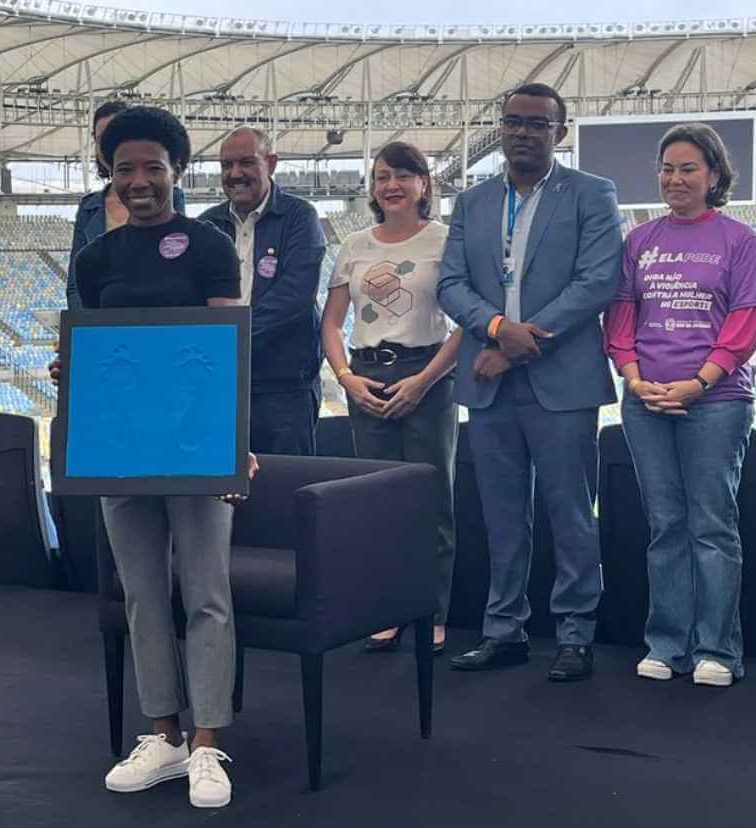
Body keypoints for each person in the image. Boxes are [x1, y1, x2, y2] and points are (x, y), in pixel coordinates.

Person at [53, 105, 255, 809]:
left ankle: (206, 742)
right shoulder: (94, 259)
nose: (140, 180)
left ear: (177, 171)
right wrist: (70, 371)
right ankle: (163, 735)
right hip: (121, 450)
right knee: (142, 595)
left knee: (206, 594)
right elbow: (99, 354)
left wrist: (235, 445)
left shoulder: (207, 246)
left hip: (195, 448)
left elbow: (228, 352)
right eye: (125, 168)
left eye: (153, 167)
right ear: (108, 172)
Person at [437, 82, 623, 682]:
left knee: (571, 512)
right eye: (513, 121)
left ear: (558, 133)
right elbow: (451, 283)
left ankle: (575, 635)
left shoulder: (592, 194)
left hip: (560, 380)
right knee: (500, 514)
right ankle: (503, 630)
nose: (522, 132)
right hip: (489, 382)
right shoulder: (473, 202)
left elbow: (597, 282)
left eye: (537, 124)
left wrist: (518, 346)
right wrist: (494, 327)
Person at [604, 123, 756, 687]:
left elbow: (746, 320)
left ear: (714, 174)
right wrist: (636, 378)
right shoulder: (640, 241)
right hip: (645, 400)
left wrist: (699, 382)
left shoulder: (740, 240)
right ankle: (667, 644)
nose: (675, 179)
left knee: (712, 526)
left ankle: (718, 649)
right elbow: (621, 317)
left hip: (715, 402)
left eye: (688, 168)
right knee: (665, 525)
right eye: (667, 168)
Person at [321, 141, 460, 655]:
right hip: (366, 376)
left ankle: (432, 611)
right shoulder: (355, 245)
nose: (392, 185)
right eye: (382, 177)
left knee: (431, 501)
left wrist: (424, 380)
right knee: (376, 504)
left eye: (403, 175)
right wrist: (345, 378)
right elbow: (332, 323)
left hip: (427, 375)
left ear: (424, 184)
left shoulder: (446, 241)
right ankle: (385, 609)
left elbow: (466, 323)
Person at [200, 126, 326, 455]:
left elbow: (294, 296)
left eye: (246, 163)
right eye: (226, 165)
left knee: (286, 488)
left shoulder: (300, 216)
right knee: (226, 489)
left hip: (284, 386)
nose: (235, 174)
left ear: (270, 163)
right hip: (223, 382)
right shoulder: (206, 225)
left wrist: (233, 339)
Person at [66, 100, 186, 310]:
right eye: (101, 138)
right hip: (104, 329)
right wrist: (87, 328)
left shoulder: (172, 197)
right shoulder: (89, 208)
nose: (109, 146)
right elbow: (75, 285)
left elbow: (178, 271)